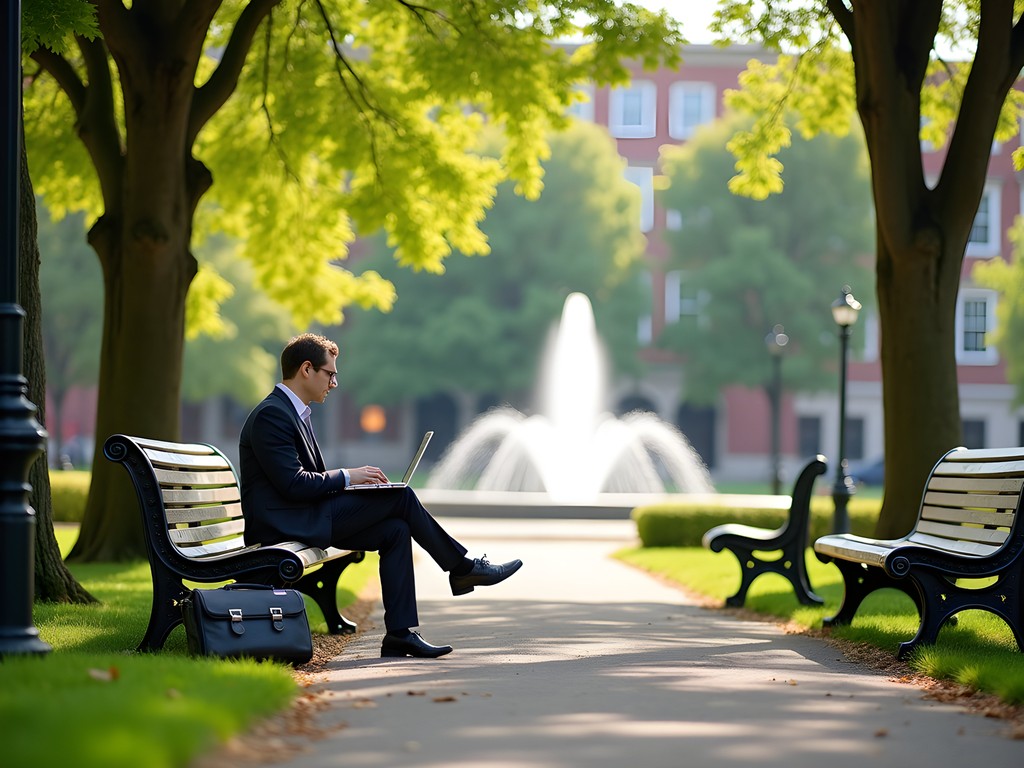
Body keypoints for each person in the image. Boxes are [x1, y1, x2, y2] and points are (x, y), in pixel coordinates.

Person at [238, 333, 522, 658]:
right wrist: (348, 476)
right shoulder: (272, 415)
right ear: (306, 369)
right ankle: (461, 566)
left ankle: (401, 634)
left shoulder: (292, 413)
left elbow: (302, 483)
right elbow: (294, 484)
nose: (334, 382)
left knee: (396, 531)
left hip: (304, 516)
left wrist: (353, 484)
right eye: (329, 373)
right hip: (283, 526)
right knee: (400, 498)